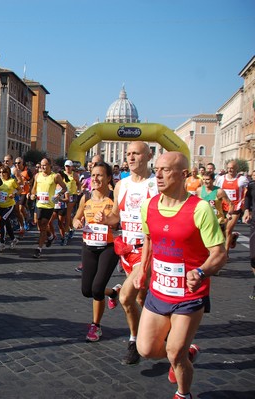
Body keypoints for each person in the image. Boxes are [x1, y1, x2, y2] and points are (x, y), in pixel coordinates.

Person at [133, 151, 226, 399]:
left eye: (166, 169)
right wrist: (142, 271)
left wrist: (201, 271)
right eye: (157, 169)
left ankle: (183, 393)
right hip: (158, 290)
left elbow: (219, 253)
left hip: (189, 294)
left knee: (174, 353)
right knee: (146, 349)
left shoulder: (200, 209)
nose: (159, 174)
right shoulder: (149, 206)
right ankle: (186, 352)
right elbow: (149, 241)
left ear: (184, 174)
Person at [101, 141, 158, 364]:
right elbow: (117, 216)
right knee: (141, 297)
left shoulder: (156, 185)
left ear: (148, 156)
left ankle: (134, 341)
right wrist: (106, 220)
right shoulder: (121, 185)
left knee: (126, 297)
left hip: (148, 250)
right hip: (126, 249)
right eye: (129, 154)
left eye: (136, 153)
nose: (131, 158)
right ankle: (161, 331)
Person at [72, 162, 120, 342]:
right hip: (89, 245)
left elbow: (116, 223)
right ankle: (113, 293)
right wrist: (76, 223)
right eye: (93, 175)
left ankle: (95, 326)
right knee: (87, 290)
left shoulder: (114, 198)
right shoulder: (86, 197)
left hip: (109, 246)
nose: (95, 178)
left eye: (100, 175)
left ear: (108, 178)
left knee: (97, 288)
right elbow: (76, 217)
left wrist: (107, 220)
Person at [30, 158, 66, 259]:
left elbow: (65, 188)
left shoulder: (55, 176)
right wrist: (32, 195)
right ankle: (50, 236)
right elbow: (33, 189)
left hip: (49, 206)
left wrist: (58, 195)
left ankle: (38, 249)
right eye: (41, 165)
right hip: (39, 204)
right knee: (39, 225)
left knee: (44, 225)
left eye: (45, 165)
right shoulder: (37, 175)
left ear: (50, 165)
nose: (42, 167)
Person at [215, 160, 248, 255]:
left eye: (232, 168)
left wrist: (245, 207)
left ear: (236, 168)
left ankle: (225, 254)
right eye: (228, 168)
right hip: (222, 208)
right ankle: (233, 237)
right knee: (221, 230)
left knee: (227, 230)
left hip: (235, 208)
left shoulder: (242, 179)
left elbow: (248, 191)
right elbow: (217, 191)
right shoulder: (221, 178)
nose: (230, 170)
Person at [0, 166, 19, 251]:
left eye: (3, 172)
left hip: (9, 206)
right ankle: (13, 239)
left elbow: (19, 189)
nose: (1, 174)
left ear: (8, 173)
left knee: (1, 223)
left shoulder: (12, 181)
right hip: (1, 205)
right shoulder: (0, 181)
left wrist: (14, 194)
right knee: (7, 224)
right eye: (0, 172)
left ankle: (2, 243)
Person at [243, 169, 255, 299]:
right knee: (253, 257)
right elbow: (248, 199)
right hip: (254, 223)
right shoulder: (252, 185)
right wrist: (246, 211)